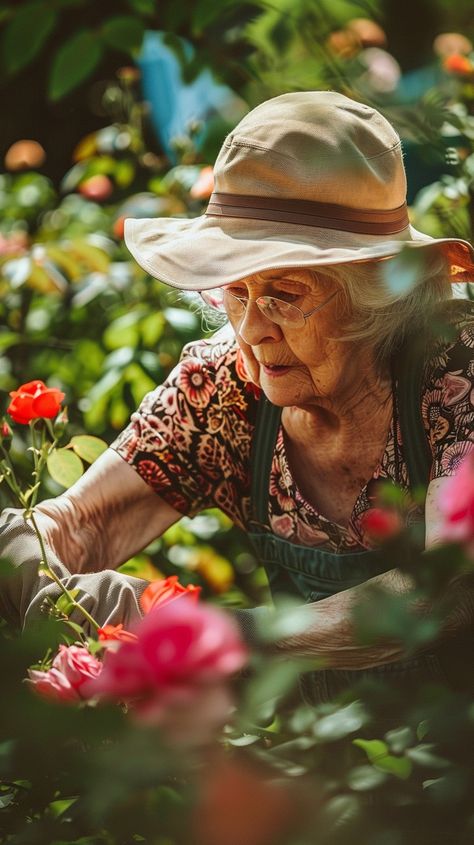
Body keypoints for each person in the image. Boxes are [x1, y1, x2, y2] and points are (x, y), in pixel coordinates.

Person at [1, 90, 474, 703]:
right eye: (235, 290)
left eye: (284, 292)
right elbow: (80, 523)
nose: (251, 329)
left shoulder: (455, 372)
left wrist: (219, 636)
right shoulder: (225, 387)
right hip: (332, 774)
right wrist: (27, 565)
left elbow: (443, 590)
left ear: (377, 292)